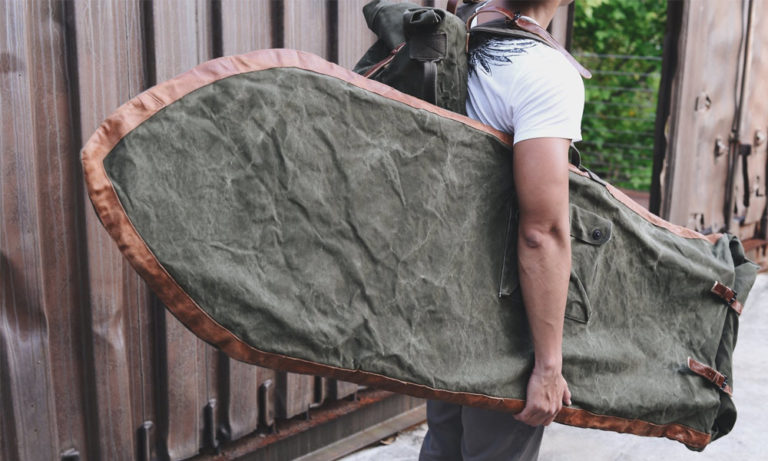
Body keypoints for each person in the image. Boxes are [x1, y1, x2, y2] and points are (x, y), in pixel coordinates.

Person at [419, 1, 584, 460]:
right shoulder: (545, 71)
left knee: (443, 442)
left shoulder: (459, 29)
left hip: (437, 286)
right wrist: (548, 366)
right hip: (501, 314)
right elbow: (541, 231)